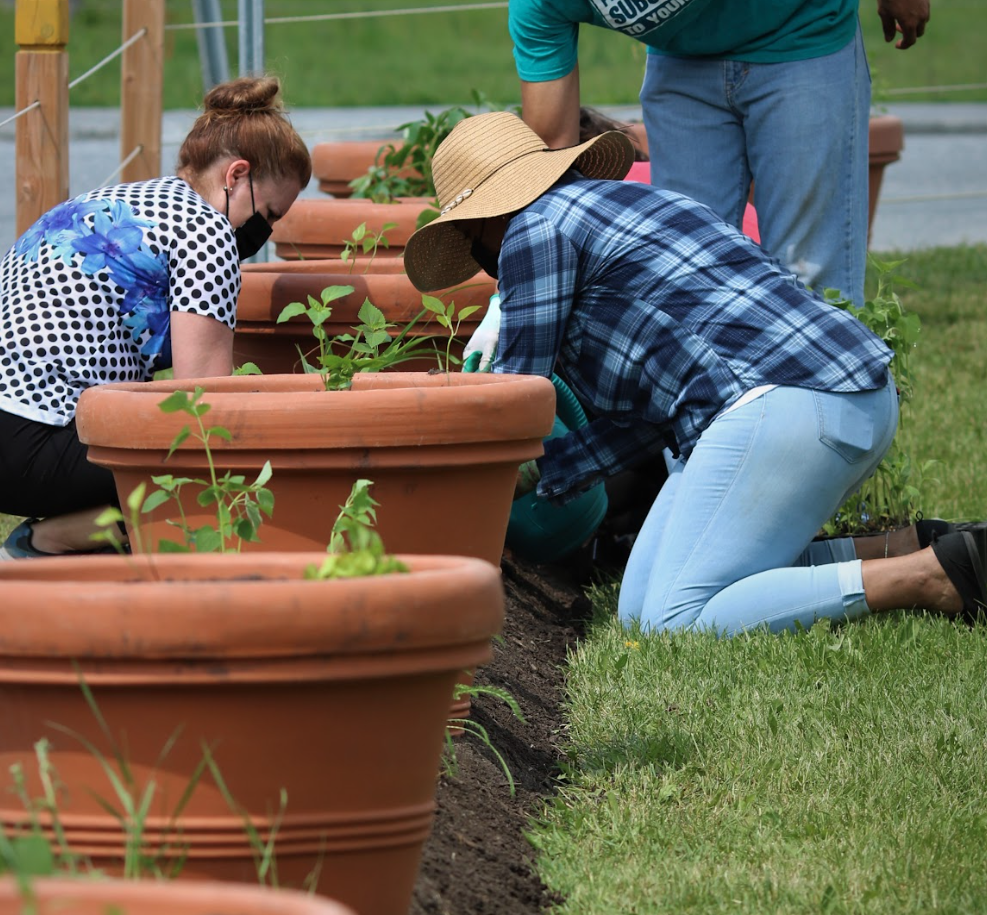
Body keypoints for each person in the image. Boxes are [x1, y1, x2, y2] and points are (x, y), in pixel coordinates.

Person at [403, 111, 986, 636]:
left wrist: (468, 488)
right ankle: (911, 546)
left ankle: (929, 577)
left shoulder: (532, 229)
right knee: (639, 611)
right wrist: (551, 476)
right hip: (839, 396)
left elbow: (514, 399)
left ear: (485, 218)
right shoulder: (635, 202)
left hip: (783, 405)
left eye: (467, 235)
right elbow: (652, 417)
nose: (478, 256)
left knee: (674, 619)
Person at [476, 0, 932, 305]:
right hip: (685, 65)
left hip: (800, 36)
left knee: (807, 272)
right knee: (684, 273)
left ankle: (833, 382)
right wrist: (525, 277)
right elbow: (552, 147)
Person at [0, 75, 311, 560]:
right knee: (208, 474)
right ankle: (45, 544)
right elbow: (207, 401)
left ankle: (60, 542)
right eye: (271, 214)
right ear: (236, 176)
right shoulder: (207, 230)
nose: (266, 232)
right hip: (22, 432)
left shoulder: (123, 199)